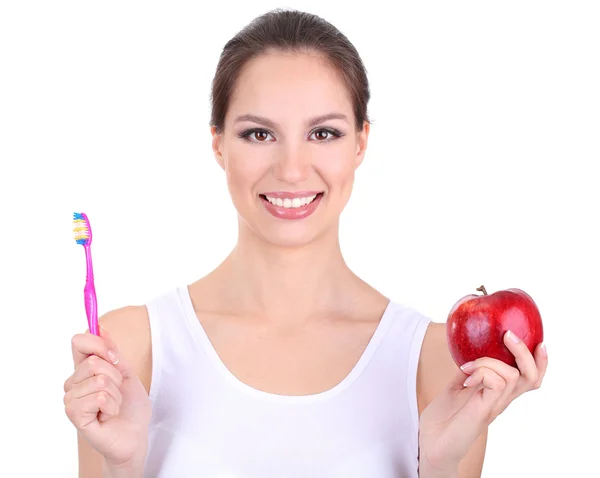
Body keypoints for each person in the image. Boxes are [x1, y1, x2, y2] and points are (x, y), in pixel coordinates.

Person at [63, 8, 548, 478]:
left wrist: (440, 468)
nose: (292, 169)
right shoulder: (129, 350)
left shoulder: (437, 363)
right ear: (217, 144)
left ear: (360, 143)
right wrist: (120, 468)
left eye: (323, 132)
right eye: (258, 134)